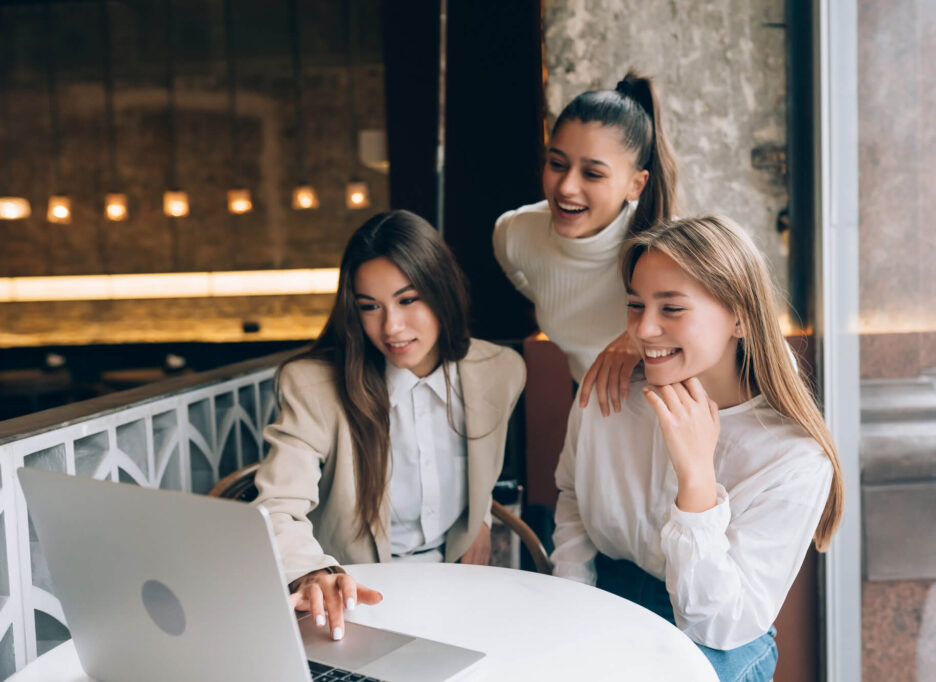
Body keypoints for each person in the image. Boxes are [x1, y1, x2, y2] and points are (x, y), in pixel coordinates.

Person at [550, 216, 844, 682]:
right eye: (635, 304)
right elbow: (571, 497)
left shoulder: (795, 459)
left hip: (717, 637)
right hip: (605, 595)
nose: (643, 329)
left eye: (671, 309)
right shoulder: (609, 391)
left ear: (741, 318)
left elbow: (717, 624)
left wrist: (697, 483)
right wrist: (571, 602)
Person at [254, 210, 526, 641]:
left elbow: (483, 467)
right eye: (370, 307)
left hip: (460, 591)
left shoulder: (501, 372)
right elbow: (277, 506)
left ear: (442, 292)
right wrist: (314, 571)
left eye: (407, 299)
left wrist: (481, 518)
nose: (391, 327)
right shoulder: (314, 386)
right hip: (357, 602)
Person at [492, 70, 678, 415]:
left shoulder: (675, 248)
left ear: (635, 185)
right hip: (595, 411)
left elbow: (740, 321)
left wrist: (640, 336)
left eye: (592, 173)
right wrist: (545, 295)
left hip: (677, 415)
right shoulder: (516, 233)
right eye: (556, 164)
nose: (565, 187)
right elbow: (517, 269)